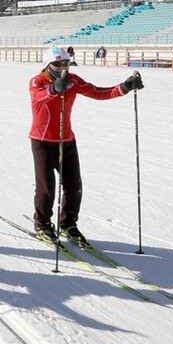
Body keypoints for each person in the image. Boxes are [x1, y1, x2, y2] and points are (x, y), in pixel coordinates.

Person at [29, 46, 144, 244]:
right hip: (43, 141)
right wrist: (55, 88)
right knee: (47, 187)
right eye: (57, 64)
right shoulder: (38, 80)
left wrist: (125, 87)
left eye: (66, 63)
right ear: (48, 65)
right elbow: (39, 97)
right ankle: (42, 224)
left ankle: (68, 224)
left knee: (74, 186)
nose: (63, 67)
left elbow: (98, 92)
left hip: (67, 141)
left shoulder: (73, 80)